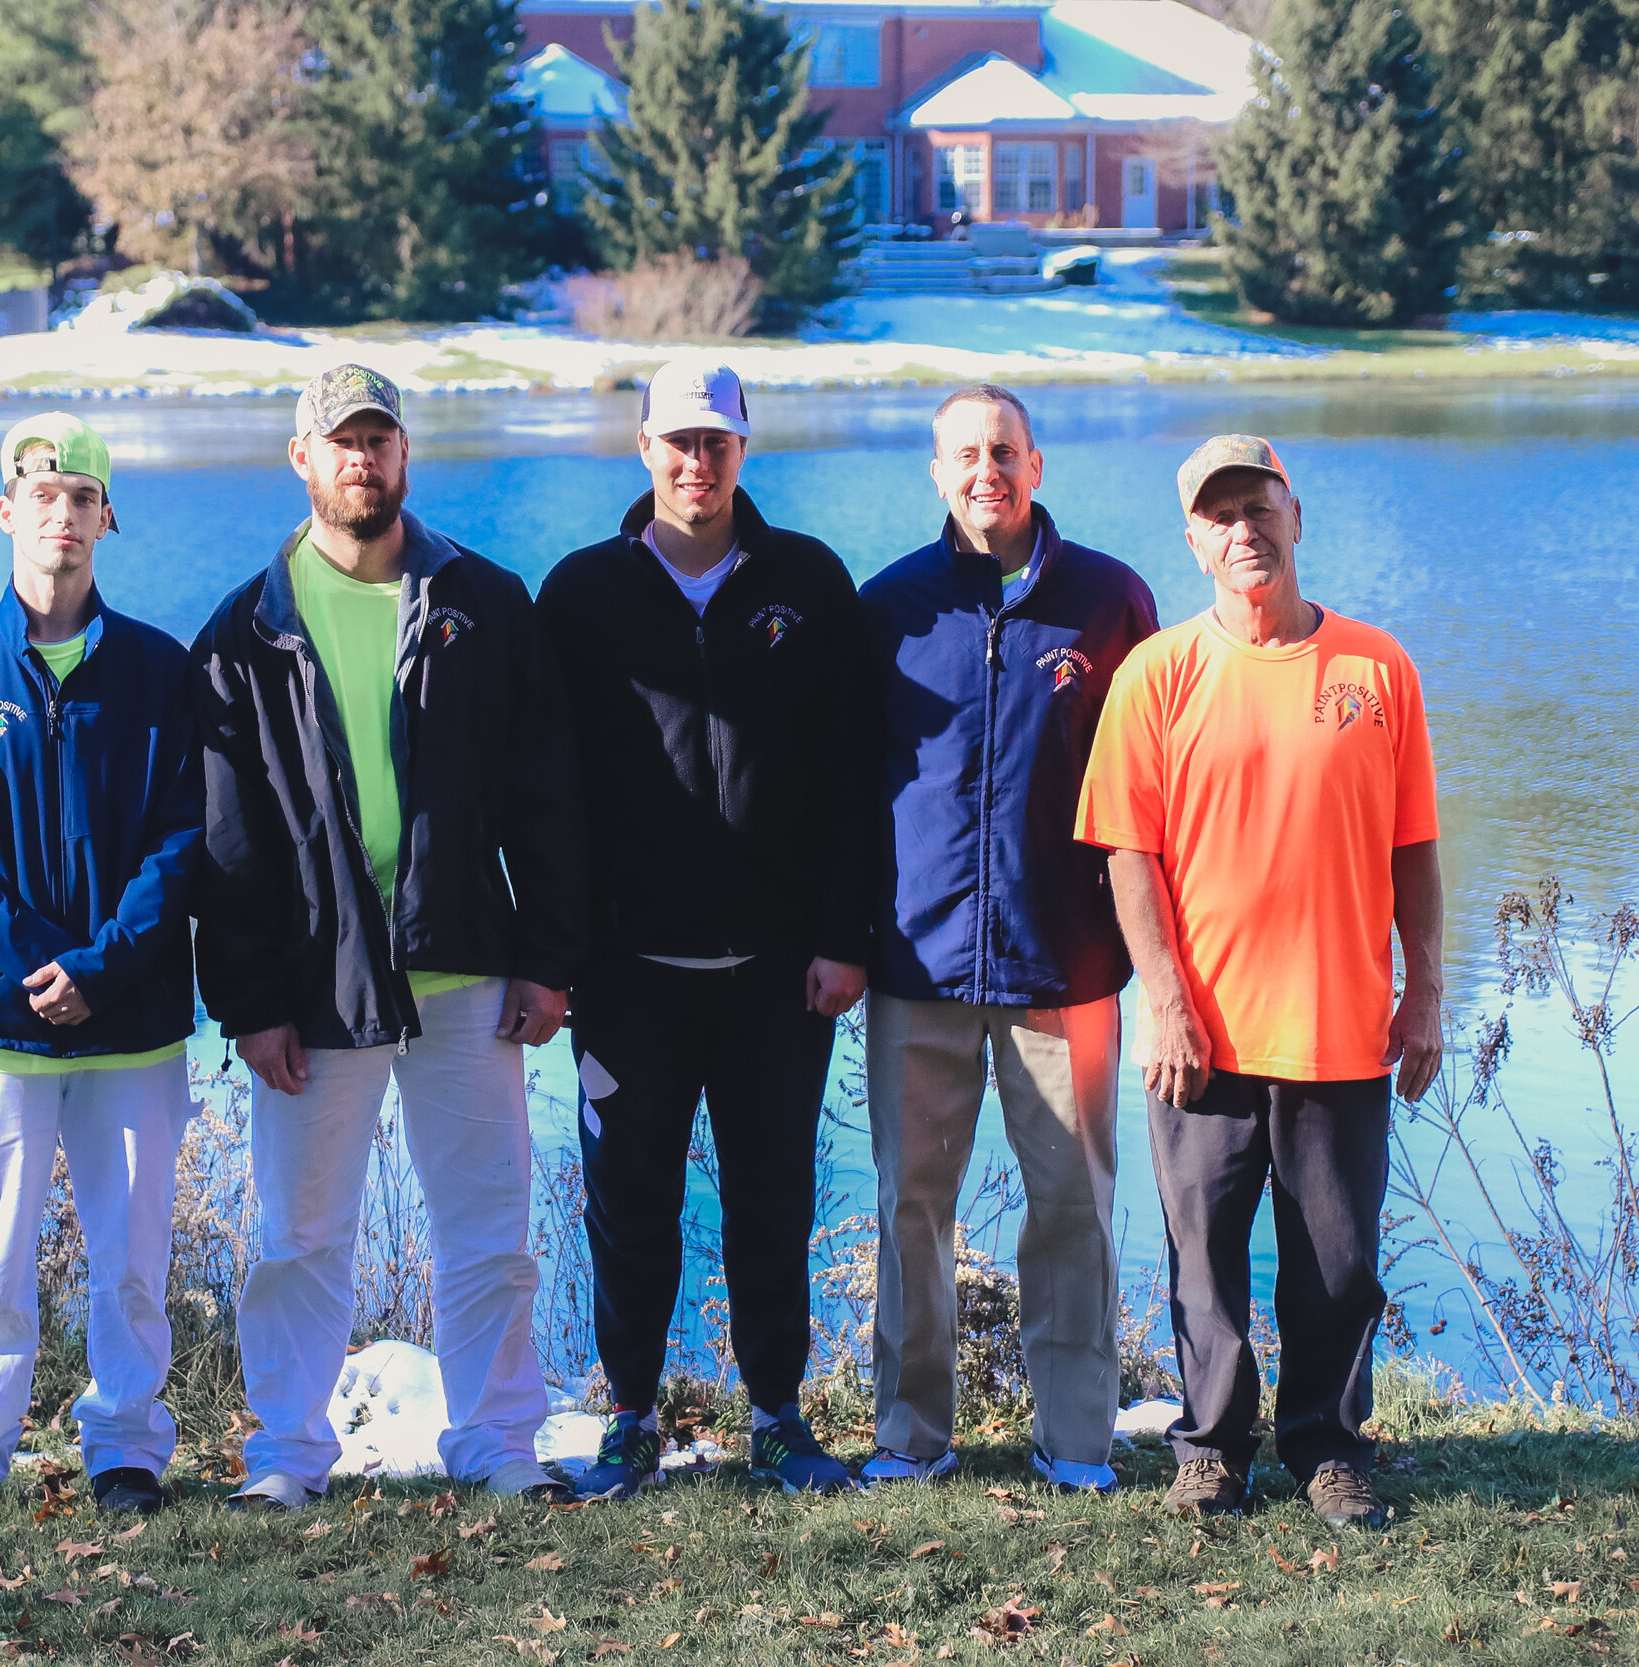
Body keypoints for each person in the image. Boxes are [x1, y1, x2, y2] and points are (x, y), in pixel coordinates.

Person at [189, 364, 586, 1512]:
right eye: (340, 440)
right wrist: (250, 1001)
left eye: (378, 438)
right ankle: (287, 1453)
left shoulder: (483, 601)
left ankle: (497, 1441)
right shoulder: (244, 631)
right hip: (319, 981)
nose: (360, 458)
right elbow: (226, 840)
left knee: (489, 1227)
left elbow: (546, 797)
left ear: (406, 452)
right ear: (301, 459)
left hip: (467, 966)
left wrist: (550, 958)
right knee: (299, 1236)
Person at [1074, 435, 1443, 1527]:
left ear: (1296, 518)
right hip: (1201, 1036)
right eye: (1220, 516)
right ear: (1194, 542)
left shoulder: (1378, 667)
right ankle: (1211, 1449)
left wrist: (1425, 991)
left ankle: (1327, 1446)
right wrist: (1165, 1003)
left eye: (1259, 508)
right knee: (1204, 1260)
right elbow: (1127, 853)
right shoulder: (1156, 674)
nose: (1244, 531)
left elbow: (1414, 846)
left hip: (1339, 1026)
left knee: (1338, 1263)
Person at [535, 360, 875, 1498]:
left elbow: (853, 776)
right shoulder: (582, 593)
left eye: (716, 442)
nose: (697, 462)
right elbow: (545, 792)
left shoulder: (807, 580)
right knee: (628, 1205)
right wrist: (556, 954)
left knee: (772, 1199)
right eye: (677, 442)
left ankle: (777, 1414)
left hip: (777, 973)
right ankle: (631, 1414)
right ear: (642, 447)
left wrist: (843, 934)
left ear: (743, 446)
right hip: (627, 975)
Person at [0, 412, 202, 1519]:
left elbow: (184, 836)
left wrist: (103, 966)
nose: (62, 515)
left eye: (82, 497)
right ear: (6, 512)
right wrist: (41, 965)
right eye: (42, 496)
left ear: (107, 518)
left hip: (133, 1016)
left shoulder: (161, 672)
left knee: (132, 1256)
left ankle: (125, 1449)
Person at [858, 384, 1158, 1491]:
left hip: (1063, 964)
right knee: (910, 1207)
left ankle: (1077, 1440)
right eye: (965, 454)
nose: (986, 470)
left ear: (1037, 465)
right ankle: (910, 1434)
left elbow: (1152, 784)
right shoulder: (889, 607)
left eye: (1004, 450)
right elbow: (847, 787)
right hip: (917, 961)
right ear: (937, 472)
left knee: (1073, 1205)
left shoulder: (1110, 601)